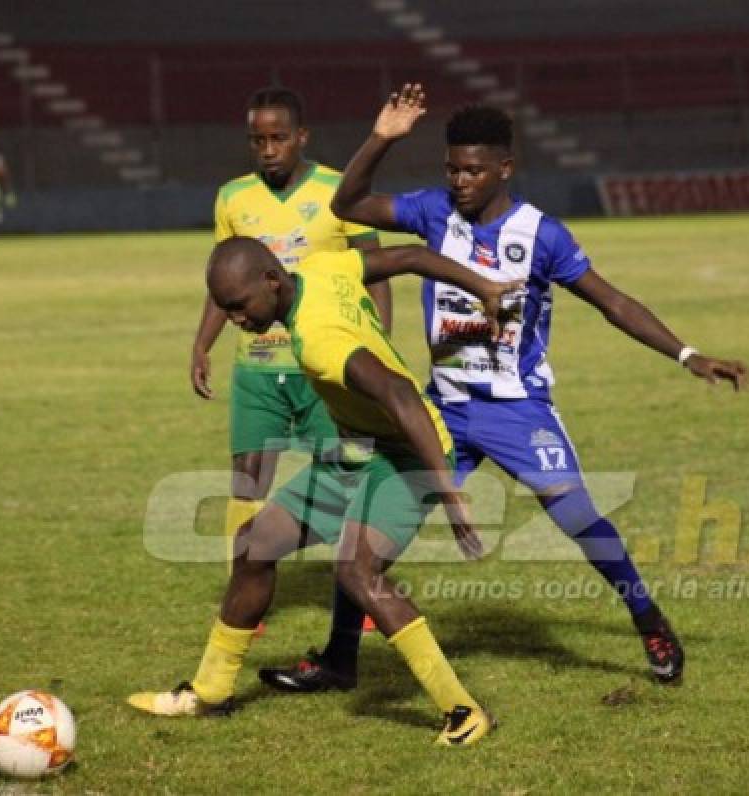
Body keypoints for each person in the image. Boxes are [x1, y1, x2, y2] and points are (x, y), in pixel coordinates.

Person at [258, 84, 749, 692]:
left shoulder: (542, 234)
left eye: (473, 171)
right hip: (443, 410)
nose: (460, 181)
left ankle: (648, 620)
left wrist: (687, 355)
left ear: (505, 168)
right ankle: (340, 660)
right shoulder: (433, 212)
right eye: (452, 169)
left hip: (518, 410)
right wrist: (382, 138)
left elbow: (612, 301)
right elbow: (349, 203)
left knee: (578, 517)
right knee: (364, 533)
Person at [130, 236, 520, 746]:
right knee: (254, 543)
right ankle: (210, 691)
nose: (235, 320)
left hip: (408, 457)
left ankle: (463, 712)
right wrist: (484, 287)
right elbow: (408, 256)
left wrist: (448, 494)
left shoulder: (319, 340)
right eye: (225, 309)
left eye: (239, 306)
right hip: (357, 450)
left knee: (357, 571)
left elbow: (400, 394)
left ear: (272, 281)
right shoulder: (323, 268)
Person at [192, 88, 390, 632]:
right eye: (258, 140)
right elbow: (222, 283)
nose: (268, 149)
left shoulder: (340, 190)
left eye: (278, 138)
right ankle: (244, 599)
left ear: (302, 136)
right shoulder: (233, 197)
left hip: (323, 365)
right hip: (256, 367)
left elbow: (375, 270)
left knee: (346, 474)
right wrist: (202, 344)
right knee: (247, 482)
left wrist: (375, 343)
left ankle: (362, 592)